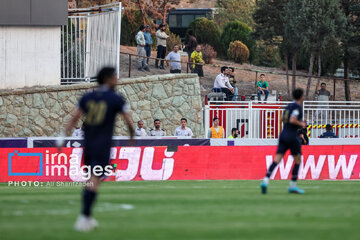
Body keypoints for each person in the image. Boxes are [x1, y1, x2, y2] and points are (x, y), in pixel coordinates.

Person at [61, 67, 134, 232]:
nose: (117, 79)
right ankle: (84, 216)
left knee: (92, 178)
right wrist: (132, 136)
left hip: (87, 144)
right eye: (115, 76)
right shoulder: (116, 98)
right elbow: (128, 121)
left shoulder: (87, 97)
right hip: (103, 145)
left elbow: (74, 118)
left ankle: (87, 217)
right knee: (94, 179)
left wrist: (61, 138)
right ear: (108, 79)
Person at [260, 88, 307, 194]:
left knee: (277, 160)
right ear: (301, 97)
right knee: (298, 160)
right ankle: (292, 186)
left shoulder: (288, 106)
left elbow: (282, 119)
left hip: (283, 135)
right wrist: (301, 124)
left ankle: (265, 181)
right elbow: (292, 119)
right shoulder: (297, 107)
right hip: (292, 136)